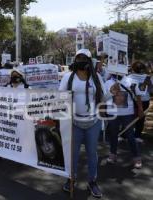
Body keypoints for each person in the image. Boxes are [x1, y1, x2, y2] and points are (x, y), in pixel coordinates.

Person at [59, 49, 106, 198]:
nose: (81, 60)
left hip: (93, 122)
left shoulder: (96, 77)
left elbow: (104, 97)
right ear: (75, 59)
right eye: (78, 57)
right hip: (74, 122)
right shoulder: (68, 77)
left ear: (89, 61)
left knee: (92, 153)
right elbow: (61, 97)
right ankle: (71, 179)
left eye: (84, 58)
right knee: (73, 154)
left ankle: (92, 181)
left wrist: (112, 92)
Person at [105, 72, 143, 169]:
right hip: (112, 113)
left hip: (128, 114)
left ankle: (136, 157)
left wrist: (140, 108)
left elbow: (138, 95)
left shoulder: (131, 81)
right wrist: (111, 91)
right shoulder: (108, 82)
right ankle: (113, 154)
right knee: (113, 135)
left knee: (130, 135)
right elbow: (104, 98)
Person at [128, 61, 152, 143]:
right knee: (140, 118)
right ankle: (137, 135)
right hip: (144, 100)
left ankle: (126, 135)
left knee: (130, 118)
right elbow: (151, 90)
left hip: (133, 100)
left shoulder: (129, 77)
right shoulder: (148, 78)